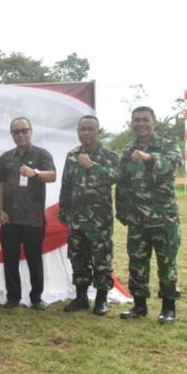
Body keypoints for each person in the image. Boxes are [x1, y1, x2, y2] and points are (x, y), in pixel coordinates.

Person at [116, 106, 182, 324]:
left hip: (164, 217)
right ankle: (139, 305)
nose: (141, 124)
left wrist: (148, 157)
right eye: (137, 120)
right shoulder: (128, 150)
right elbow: (122, 183)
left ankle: (168, 307)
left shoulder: (167, 146)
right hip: (137, 219)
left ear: (154, 122)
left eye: (145, 119)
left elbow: (172, 164)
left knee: (166, 262)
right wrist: (122, 211)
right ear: (132, 123)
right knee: (137, 262)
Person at [58, 115, 119, 316]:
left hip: (99, 220)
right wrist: (63, 210)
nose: (86, 133)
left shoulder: (108, 155)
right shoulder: (72, 155)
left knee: (101, 260)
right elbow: (66, 185)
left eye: (90, 129)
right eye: (82, 129)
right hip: (76, 218)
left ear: (98, 132)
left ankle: (101, 299)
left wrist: (92, 166)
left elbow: (115, 177)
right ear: (77, 132)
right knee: (78, 258)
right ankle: (81, 297)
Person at [0, 117, 56, 311]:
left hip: (33, 219)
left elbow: (53, 176)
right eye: (16, 131)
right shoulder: (6, 157)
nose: (21, 134)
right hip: (10, 218)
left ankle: (36, 297)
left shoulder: (41, 154)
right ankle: (13, 296)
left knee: (34, 260)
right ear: (11, 134)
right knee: (10, 260)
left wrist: (35, 173)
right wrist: (0, 209)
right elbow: (1, 184)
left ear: (30, 131)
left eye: (24, 130)